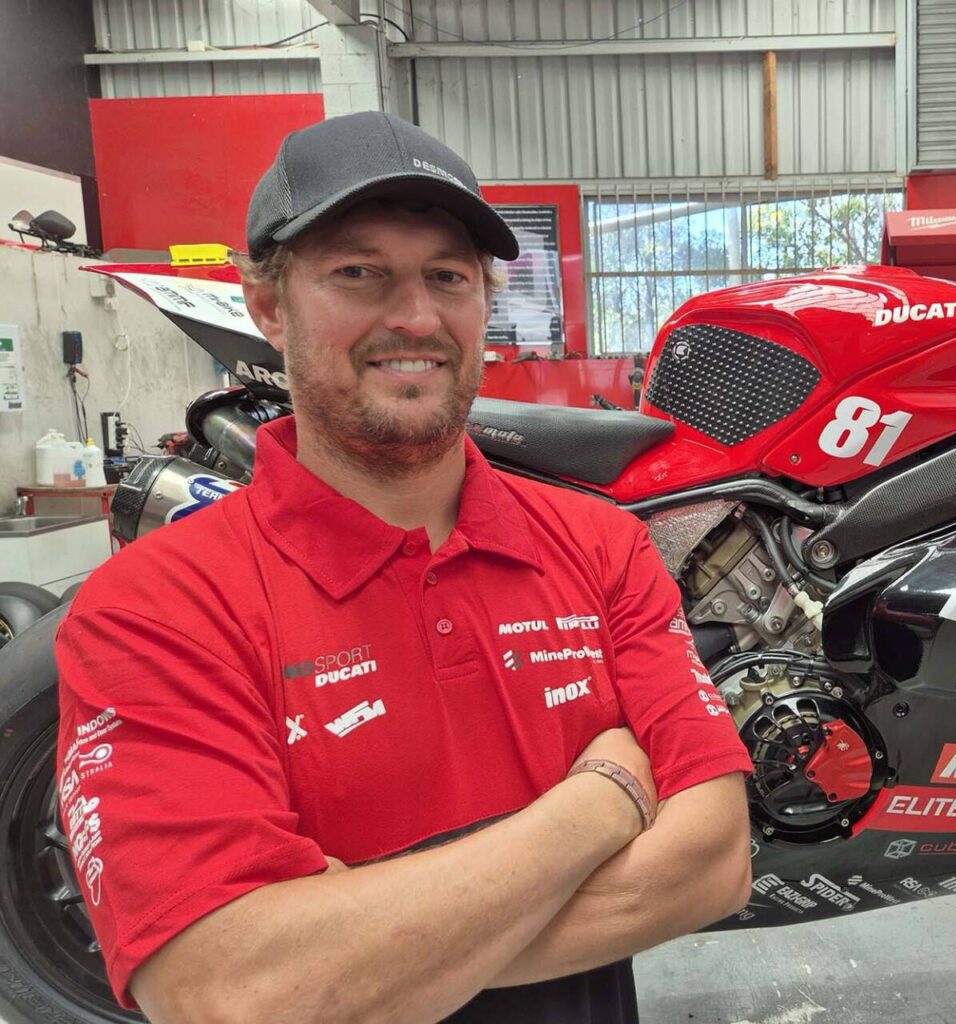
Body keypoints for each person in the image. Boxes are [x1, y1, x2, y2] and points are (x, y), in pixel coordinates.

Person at [54, 111, 754, 1024]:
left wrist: (351, 960)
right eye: (359, 272)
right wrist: (601, 800)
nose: (416, 317)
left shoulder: (601, 546)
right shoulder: (150, 609)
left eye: (447, 277)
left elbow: (712, 864)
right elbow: (227, 992)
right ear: (267, 305)